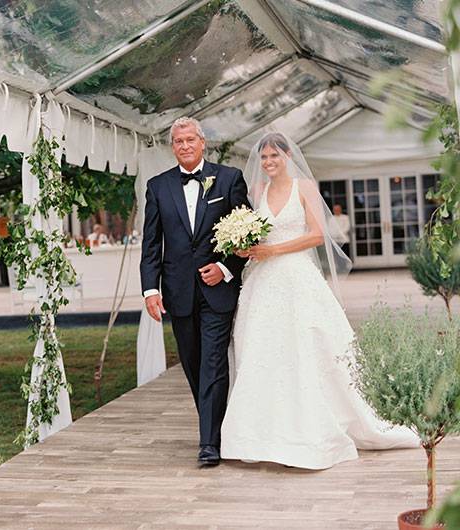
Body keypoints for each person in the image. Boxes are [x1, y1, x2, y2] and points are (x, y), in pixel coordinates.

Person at [219, 132, 418, 469]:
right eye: (264, 157)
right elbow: (259, 235)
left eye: (274, 156)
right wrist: (247, 247)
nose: (268, 163)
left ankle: (317, 426)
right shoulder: (259, 192)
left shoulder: (304, 187)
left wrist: (274, 250)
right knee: (262, 351)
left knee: (308, 349)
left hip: (297, 277)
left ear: (287, 157)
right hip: (263, 282)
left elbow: (315, 235)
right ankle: (259, 435)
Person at [139, 117, 250, 467]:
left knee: (213, 363)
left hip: (218, 291)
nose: (184, 146)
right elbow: (151, 243)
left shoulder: (229, 179)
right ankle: (214, 424)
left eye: (190, 140)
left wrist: (226, 268)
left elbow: (246, 233)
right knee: (193, 363)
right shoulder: (158, 187)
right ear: (173, 147)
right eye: (178, 141)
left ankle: (209, 442)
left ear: (203, 143)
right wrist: (149, 290)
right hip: (177, 291)